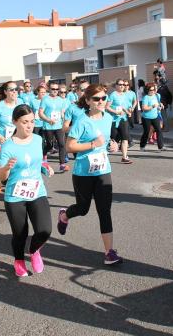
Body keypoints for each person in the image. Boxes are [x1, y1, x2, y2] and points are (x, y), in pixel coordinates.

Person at [58, 84, 123, 265]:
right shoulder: (81, 121)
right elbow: (70, 146)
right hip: (83, 173)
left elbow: (107, 140)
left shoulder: (108, 118)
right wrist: (93, 144)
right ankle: (64, 215)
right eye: (97, 99)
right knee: (83, 208)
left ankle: (109, 252)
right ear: (88, 101)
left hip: (103, 170)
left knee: (104, 211)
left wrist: (113, 145)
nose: (101, 101)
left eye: (104, 98)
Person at [0, 104, 54, 277]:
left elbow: (37, 161)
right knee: (20, 233)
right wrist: (7, 167)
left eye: (31, 121)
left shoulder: (37, 139)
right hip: (15, 196)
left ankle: (34, 250)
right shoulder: (8, 146)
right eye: (24, 122)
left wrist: (45, 167)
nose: (29, 125)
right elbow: (1, 176)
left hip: (37, 191)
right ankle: (19, 260)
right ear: (15, 122)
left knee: (45, 229)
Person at [0, 81, 20, 200]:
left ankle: (14, 193)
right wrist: (0, 137)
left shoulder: (21, 103)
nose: (14, 92)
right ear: (5, 92)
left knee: (17, 170)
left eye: (16, 89)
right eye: (11, 89)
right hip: (2, 144)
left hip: (18, 143)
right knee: (5, 173)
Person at [39, 82, 68, 172]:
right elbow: (40, 113)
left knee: (62, 144)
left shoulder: (61, 100)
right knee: (49, 145)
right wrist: (48, 120)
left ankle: (62, 164)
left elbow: (62, 113)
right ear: (49, 89)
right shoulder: (45, 99)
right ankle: (44, 155)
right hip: (48, 126)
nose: (55, 91)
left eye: (56, 89)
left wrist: (65, 122)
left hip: (58, 125)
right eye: (53, 89)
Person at [106, 79, 132, 164]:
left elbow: (123, 106)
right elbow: (107, 107)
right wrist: (115, 112)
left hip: (123, 119)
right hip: (113, 120)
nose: (122, 86)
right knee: (113, 139)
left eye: (123, 85)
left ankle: (124, 157)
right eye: (120, 84)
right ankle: (105, 152)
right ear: (116, 85)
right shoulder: (113, 95)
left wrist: (128, 112)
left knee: (125, 138)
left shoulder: (125, 95)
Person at [139, 83, 165, 151]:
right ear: (147, 90)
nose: (153, 91)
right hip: (146, 117)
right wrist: (152, 106)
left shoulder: (157, 95)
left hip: (155, 116)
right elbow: (144, 108)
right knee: (146, 132)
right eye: (151, 90)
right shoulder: (146, 97)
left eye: (154, 89)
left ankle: (160, 147)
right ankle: (142, 146)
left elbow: (158, 103)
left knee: (159, 130)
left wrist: (161, 104)